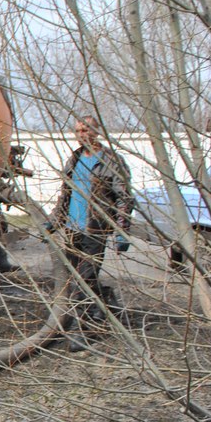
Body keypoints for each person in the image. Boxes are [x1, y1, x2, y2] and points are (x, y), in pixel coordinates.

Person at [46, 115, 134, 348]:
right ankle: (107, 306)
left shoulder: (111, 160)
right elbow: (66, 193)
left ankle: (83, 330)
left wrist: (122, 229)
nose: (81, 134)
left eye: (86, 129)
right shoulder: (74, 159)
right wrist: (54, 220)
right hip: (72, 228)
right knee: (77, 276)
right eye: (77, 130)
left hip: (95, 228)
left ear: (96, 131)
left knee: (83, 279)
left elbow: (124, 197)